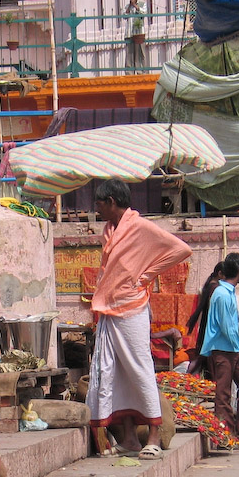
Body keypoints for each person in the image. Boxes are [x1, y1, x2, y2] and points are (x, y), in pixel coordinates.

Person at [84, 179, 191, 458]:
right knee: (114, 372)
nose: (95, 208)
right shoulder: (109, 230)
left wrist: (147, 275)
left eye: (98, 203)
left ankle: (153, 436)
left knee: (140, 368)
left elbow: (181, 249)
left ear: (111, 201)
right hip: (108, 308)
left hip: (132, 308)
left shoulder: (140, 226)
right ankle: (130, 438)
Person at [201, 253, 239, 447]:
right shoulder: (222, 294)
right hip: (223, 350)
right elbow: (227, 329)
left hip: (234, 350)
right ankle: (225, 436)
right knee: (223, 393)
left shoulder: (228, 292)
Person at [185, 261, 222, 377]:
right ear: (220, 274)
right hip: (211, 329)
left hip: (207, 328)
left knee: (202, 358)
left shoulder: (211, 285)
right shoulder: (215, 288)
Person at [123, 0, 146, 71]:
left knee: (140, 53)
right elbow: (124, 15)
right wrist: (130, 5)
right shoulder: (127, 6)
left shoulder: (142, 5)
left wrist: (136, 6)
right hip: (129, 33)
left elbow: (143, 13)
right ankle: (129, 71)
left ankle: (141, 71)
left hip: (139, 33)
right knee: (129, 54)